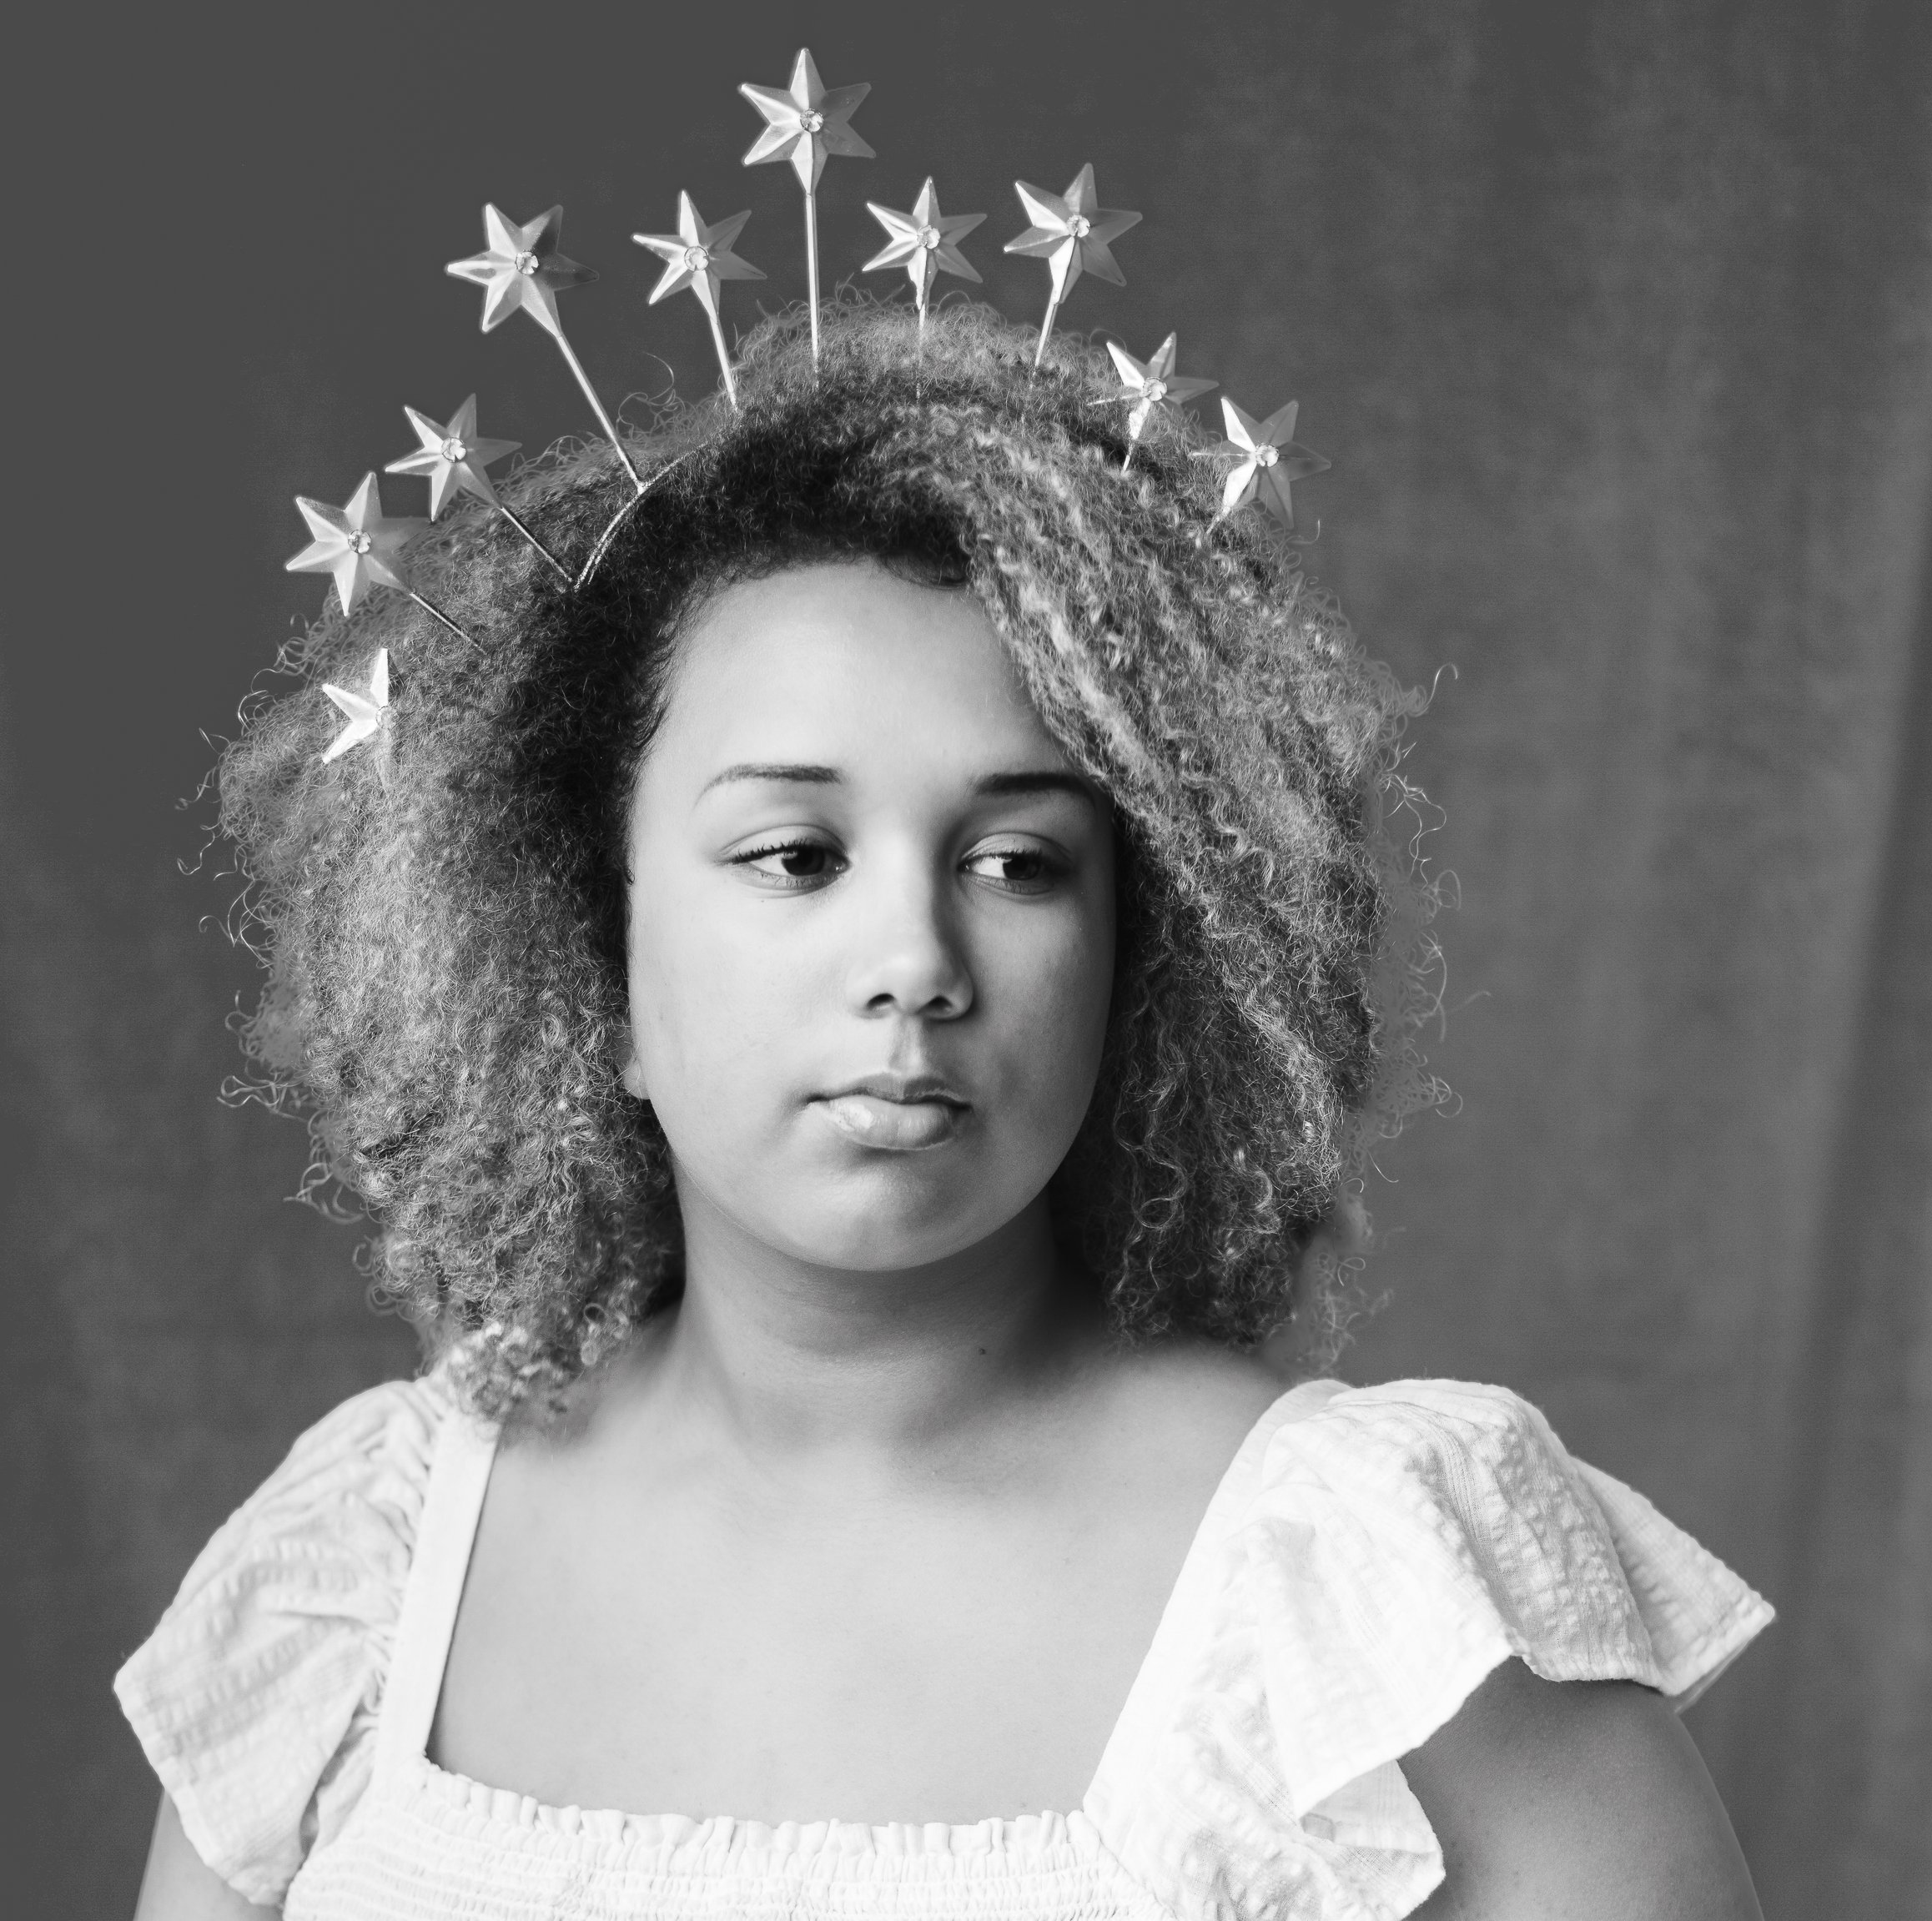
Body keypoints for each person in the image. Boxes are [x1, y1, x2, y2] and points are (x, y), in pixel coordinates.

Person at [120, 298, 1772, 1920]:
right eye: (794, 856)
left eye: (1016, 863)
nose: (914, 960)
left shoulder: (1377, 1600)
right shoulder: (367, 1569)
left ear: (1142, 960)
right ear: (585, 957)